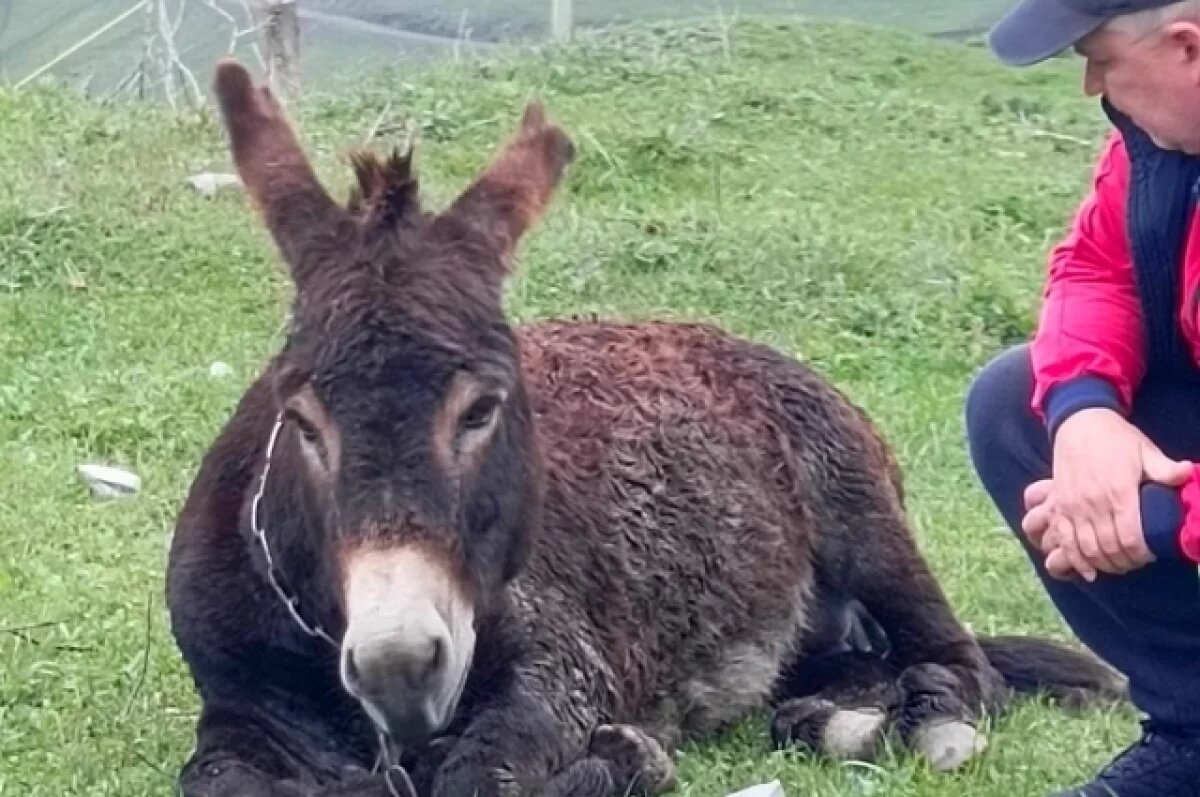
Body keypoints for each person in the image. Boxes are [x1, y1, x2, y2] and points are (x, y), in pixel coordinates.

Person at [967, 1, 1200, 794]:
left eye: (1098, 56)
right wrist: (1086, 415)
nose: (1091, 84)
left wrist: (1159, 516)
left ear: (1187, 47)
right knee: (1014, 402)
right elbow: (1098, 267)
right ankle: (1195, 731)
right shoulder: (1158, 143)